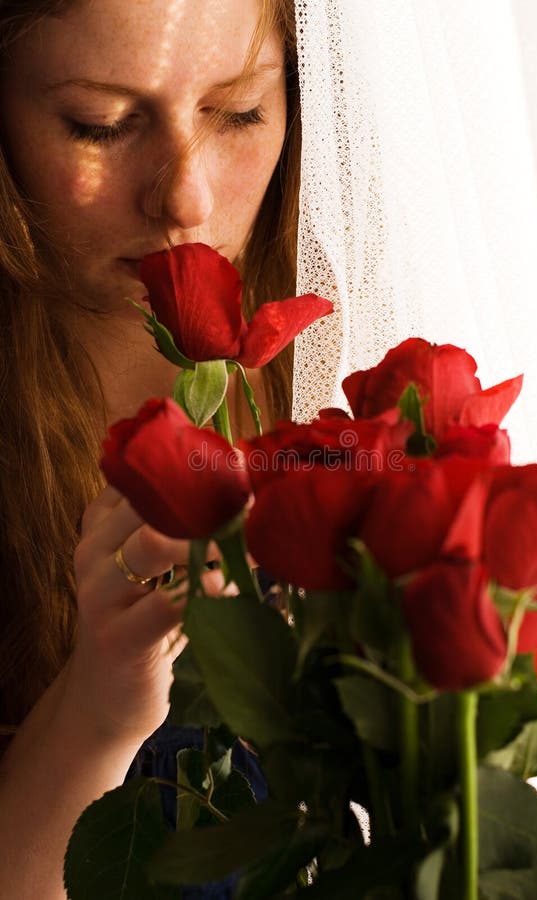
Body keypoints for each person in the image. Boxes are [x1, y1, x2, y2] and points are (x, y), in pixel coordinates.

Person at [0, 1, 299, 897]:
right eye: (101, 124)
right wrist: (97, 709)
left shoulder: (359, 362)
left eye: (241, 110)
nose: (186, 197)